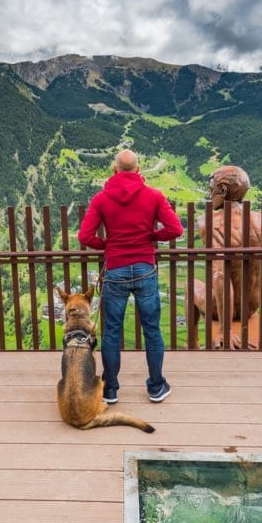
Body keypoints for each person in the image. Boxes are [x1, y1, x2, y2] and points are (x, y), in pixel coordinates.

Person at [78, 149, 184, 404]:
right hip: (145, 268)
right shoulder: (154, 196)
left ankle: (111, 388)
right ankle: (156, 386)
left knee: (112, 332)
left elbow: (84, 236)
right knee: (152, 330)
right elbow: (175, 229)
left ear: (114, 169)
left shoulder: (102, 199)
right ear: (138, 169)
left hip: (115, 270)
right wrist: (152, 237)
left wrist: (106, 244)